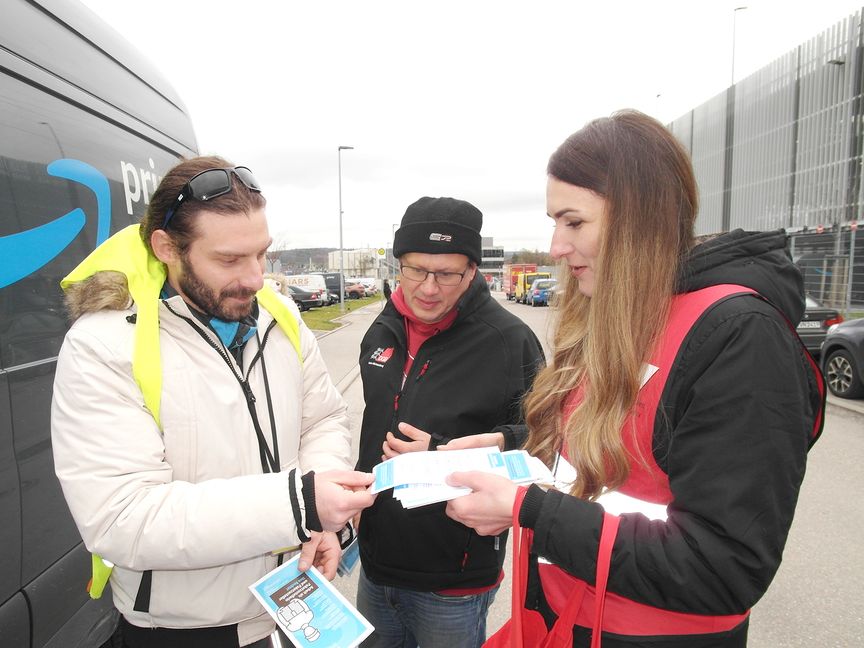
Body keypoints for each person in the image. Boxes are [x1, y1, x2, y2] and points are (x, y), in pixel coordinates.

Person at [445, 111, 824, 648]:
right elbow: (615, 451)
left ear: (637, 218)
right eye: (555, 221)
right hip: (561, 618)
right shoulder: (620, 311)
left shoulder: (740, 336)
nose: (555, 245)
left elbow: (723, 567)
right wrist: (514, 446)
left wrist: (528, 509)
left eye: (574, 222)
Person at [51, 156, 376, 648]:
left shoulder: (277, 314)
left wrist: (318, 518)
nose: (255, 279)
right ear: (167, 248)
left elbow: (323, 419)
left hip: (287, 606)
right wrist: (301, 503)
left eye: (262, 254)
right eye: (229, 260)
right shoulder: (101, 346)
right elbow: (123, 517)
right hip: (183, 629)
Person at [354, 196, 545, 647]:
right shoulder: (381, 331)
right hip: (376, 566)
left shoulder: (510, 341)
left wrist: (447, 450)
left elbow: (549, 439)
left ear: (473, 271)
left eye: (447, 274)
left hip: (453, 582)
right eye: (416, 269)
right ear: (398, 263)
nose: (429, 288)